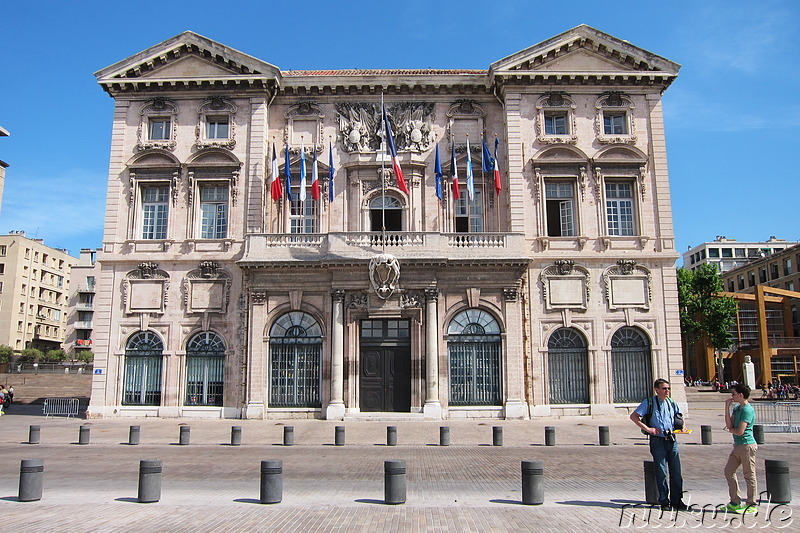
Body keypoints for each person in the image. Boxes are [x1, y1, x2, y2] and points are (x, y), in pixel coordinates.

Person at [630, 378, 687, 510]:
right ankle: (663, 500)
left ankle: (677, 500)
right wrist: (648, 429)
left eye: (668, 388)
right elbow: (634, 416)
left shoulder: (672, 402)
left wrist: (683, 426)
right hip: (657, 441)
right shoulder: (649, 402)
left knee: (676, 471)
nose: (667, 391)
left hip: (672, 439)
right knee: (661, 471)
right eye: (664, 388)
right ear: (657, 390)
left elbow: (680, 417)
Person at [723, 383, 758, 514]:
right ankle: (735, 501)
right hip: (737, 446)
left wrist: (732, 429)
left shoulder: (747, 410)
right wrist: (727, 407)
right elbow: (729, 424)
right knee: (729, 471)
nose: (732, 396)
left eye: (733, 394)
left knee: (749, 475)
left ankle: (751, 504)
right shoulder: (737, 409)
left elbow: (740, 431)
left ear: (741, 395)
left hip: (747, 445)